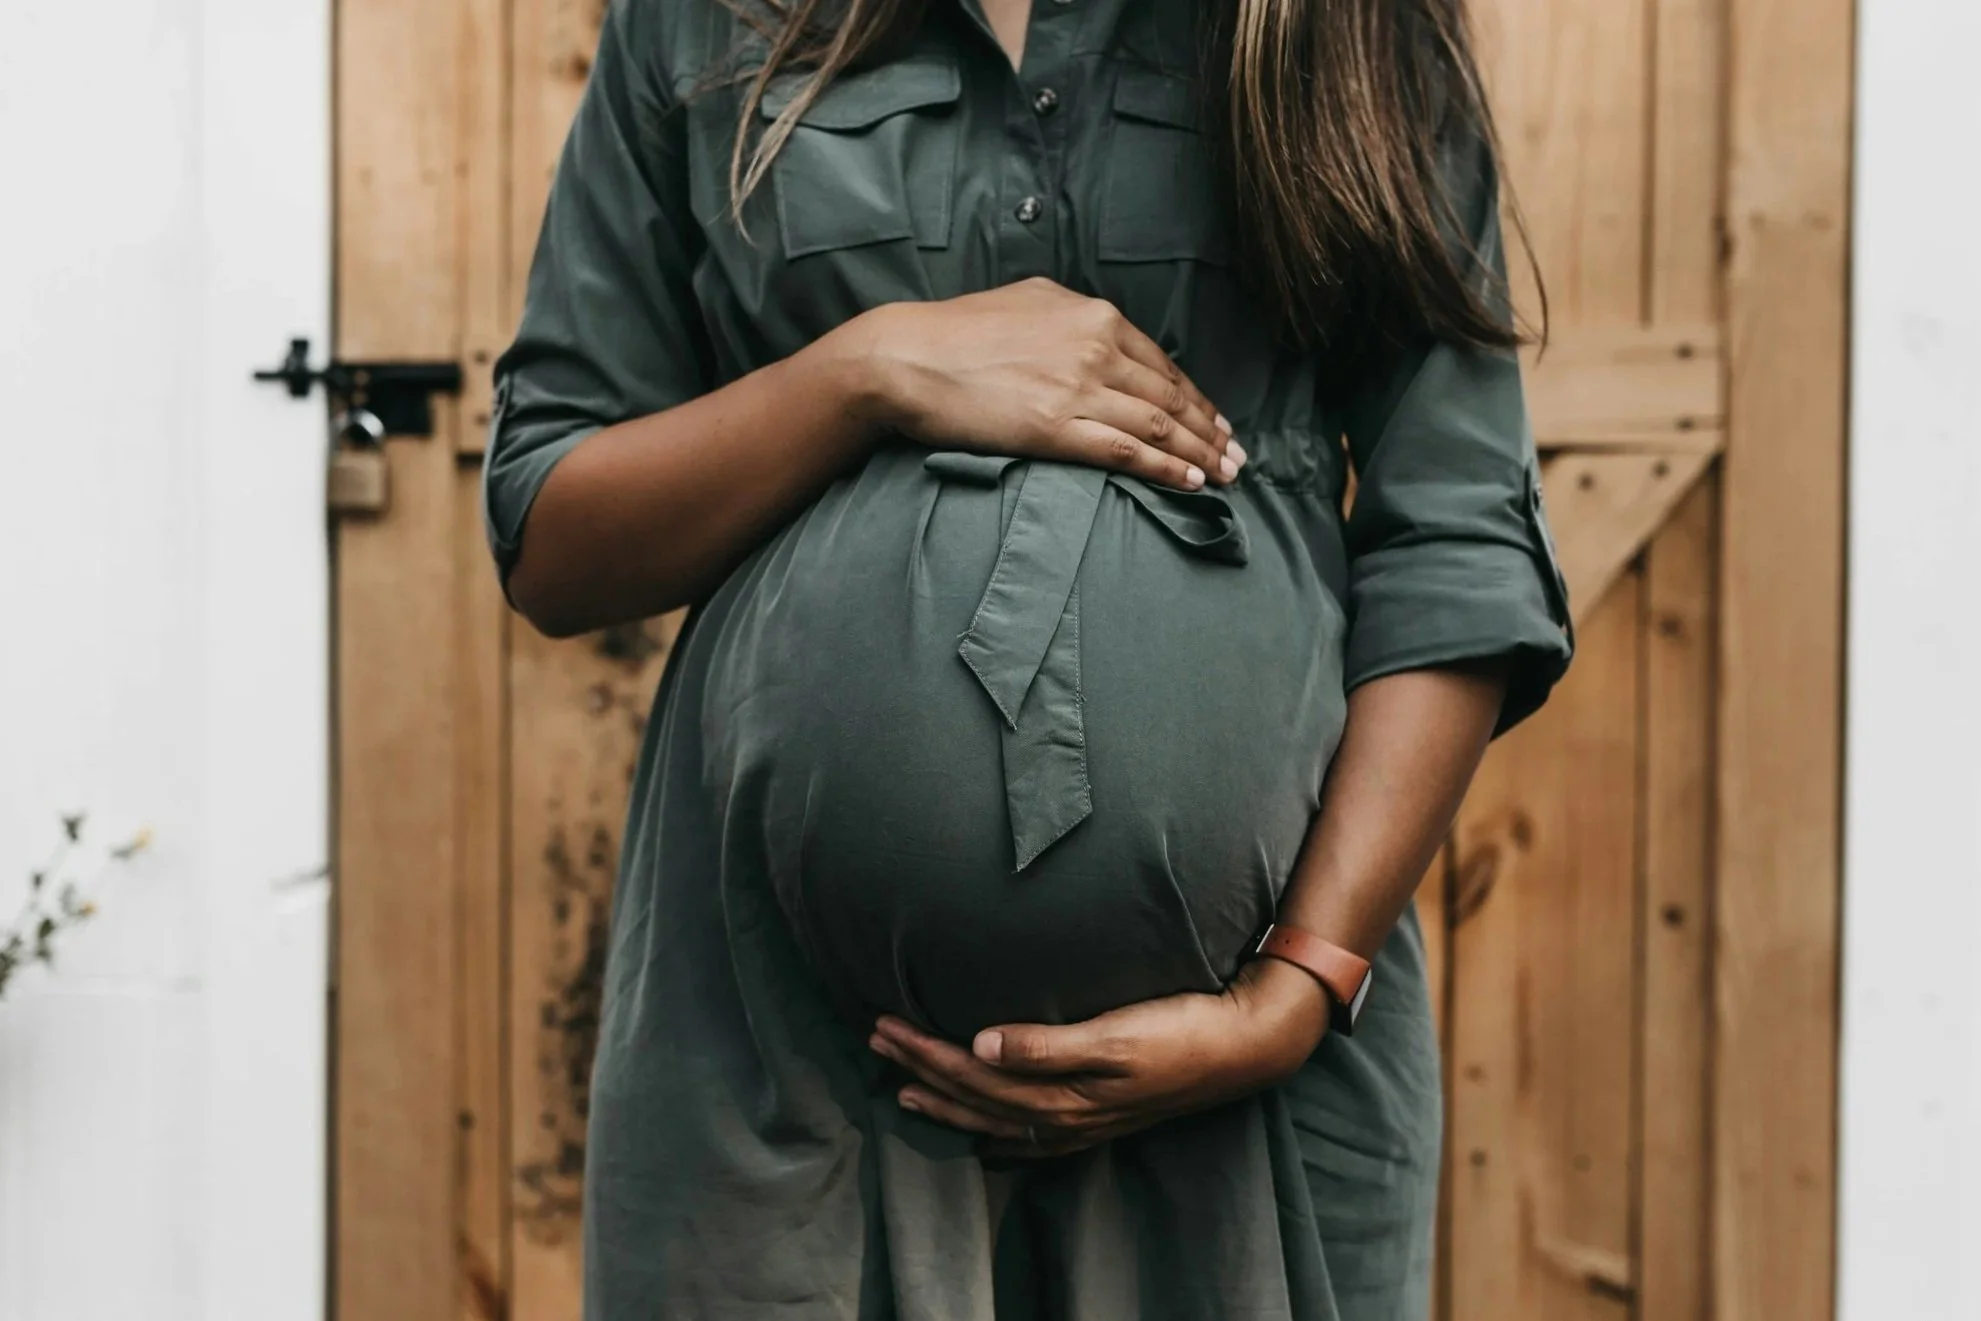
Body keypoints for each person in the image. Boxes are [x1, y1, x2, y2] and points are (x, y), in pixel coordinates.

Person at [482, 0, 1574, 1315]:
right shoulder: (697, 19)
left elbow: (1457, 540)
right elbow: (552, 534)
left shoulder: (1346, 22)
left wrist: (1293, 993)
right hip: (787, 1078)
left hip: (1251, 1087)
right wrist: (861, 372)